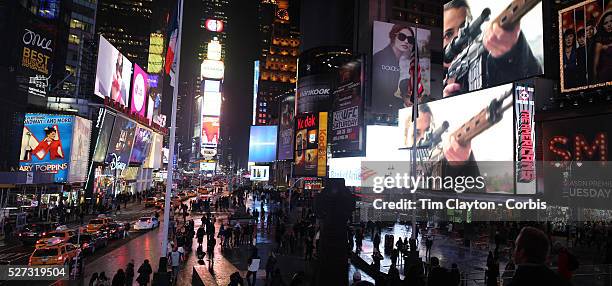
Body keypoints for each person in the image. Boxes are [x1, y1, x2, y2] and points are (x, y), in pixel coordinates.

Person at [442, 0, 542, 97]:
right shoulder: (440, 81)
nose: (458, 36)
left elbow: (532, 78)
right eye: (448, 34)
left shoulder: (490, 55)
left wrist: (513, 52)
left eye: (463, 26)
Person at [372, 23, 420, 114]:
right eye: (402, 37)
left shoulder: (396, 59)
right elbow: (380, 92)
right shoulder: (381, 57)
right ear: (393, 36)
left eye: (410, 39)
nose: (406, 41)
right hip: (379, 110)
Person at [592, 10, 612, 83]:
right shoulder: (600, 41)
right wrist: (595, 83)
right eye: (606, 23)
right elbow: (595, 64)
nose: (609, 24)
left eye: (611, 21)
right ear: (602, 26)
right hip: (605, 78)